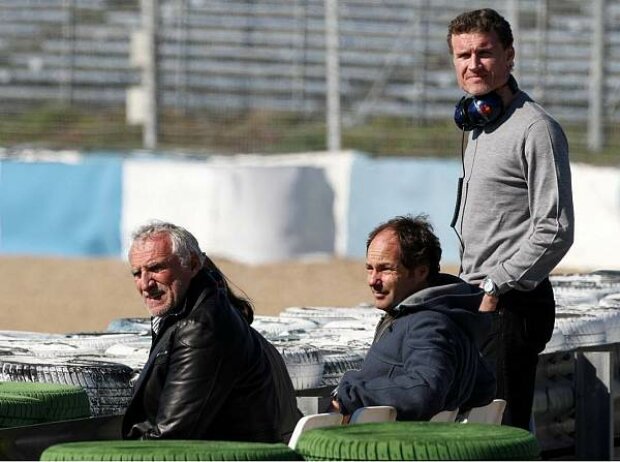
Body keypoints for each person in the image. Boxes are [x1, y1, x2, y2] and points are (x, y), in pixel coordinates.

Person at [447, 9, 574, 430]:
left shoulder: (535, 128)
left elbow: (555, 228)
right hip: (482, 299)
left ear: (509, 56)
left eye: (484, 53)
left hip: (510, 303)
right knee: (481, 431)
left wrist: (495, 284)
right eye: (463, 55)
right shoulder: (479, 126)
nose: (473, 64)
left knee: (502, 432)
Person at [122, 220, 302, 442]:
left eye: (156, 268)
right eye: (137, 273)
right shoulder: (204, 312)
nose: (145, 284)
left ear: (194, 264)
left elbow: (170, 439)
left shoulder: (200, 329)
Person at [330, 215, 495, 421]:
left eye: (386, 269)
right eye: (369, 268)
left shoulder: (428, 325)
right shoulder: (450, 315)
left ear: (420, 272)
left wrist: (350, 394)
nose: (373, 280)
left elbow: (425, 391)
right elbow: (485, 385)